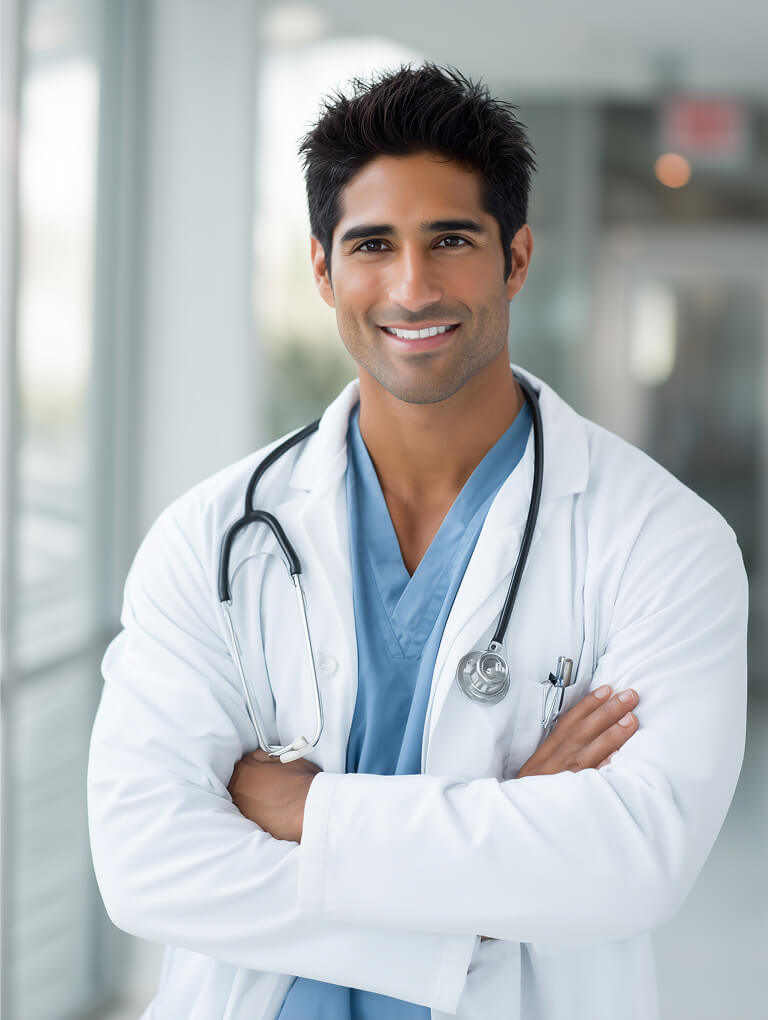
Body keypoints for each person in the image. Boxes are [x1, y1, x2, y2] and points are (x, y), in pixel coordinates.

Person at [87, 63, 749, 1020]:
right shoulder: (214, 537)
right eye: (371, 244)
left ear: (516, 259)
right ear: (322, 270)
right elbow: (146, 862)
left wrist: (304, 812)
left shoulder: (660, 542)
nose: (411, 285)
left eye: (451, 239)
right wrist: (496, 867)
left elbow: (632, 861)